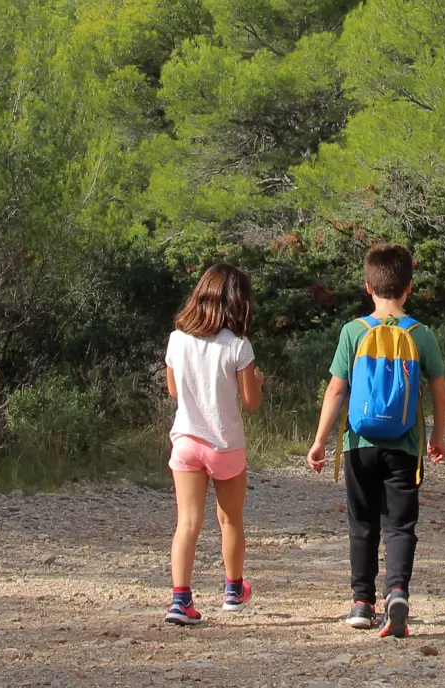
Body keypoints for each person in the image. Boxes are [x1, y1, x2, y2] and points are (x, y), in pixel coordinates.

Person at [306, 243, 445, 638]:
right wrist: (436, 437)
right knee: (400, 524)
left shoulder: (353, 331)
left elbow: (336, 391)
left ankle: (360, 602)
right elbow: (440, 393)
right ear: (408, 287)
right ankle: (397, 592)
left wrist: (319, 440)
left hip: (359, 445)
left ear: (368, 287)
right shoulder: (422, 335)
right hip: (403, 447)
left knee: (362, 523)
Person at [161, 263, 265, 626]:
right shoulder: (238, 345)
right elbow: (250, 401)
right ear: (238, 302)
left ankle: (180, 600)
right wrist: (258, 380)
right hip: (225, 443)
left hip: (187, 439)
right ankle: (234, 590)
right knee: (230, 519)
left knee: (187, 522)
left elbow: (174, 391)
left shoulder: (177, 339)